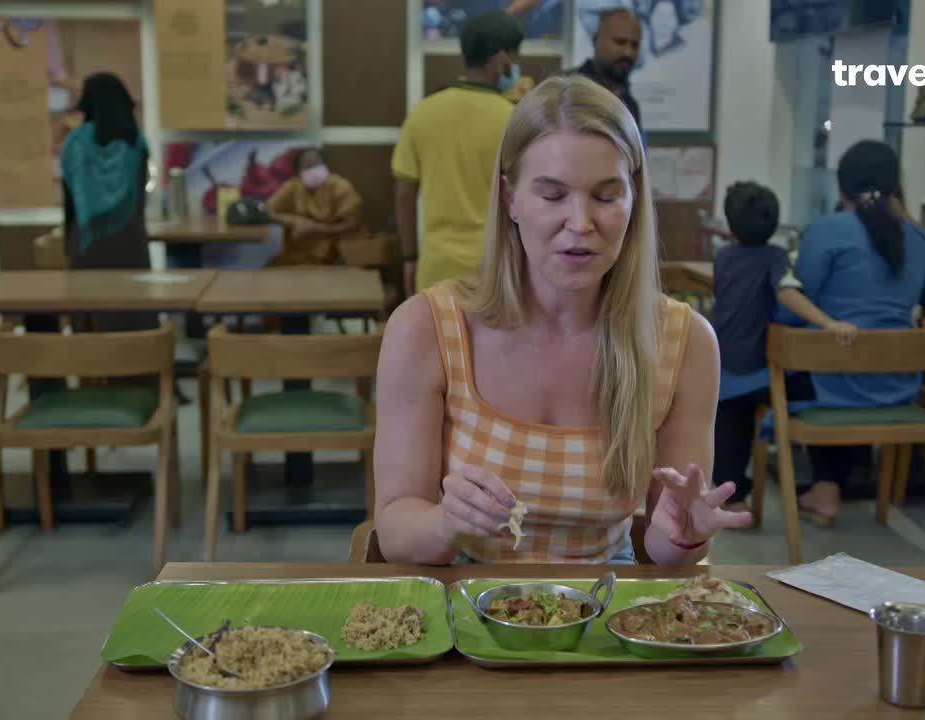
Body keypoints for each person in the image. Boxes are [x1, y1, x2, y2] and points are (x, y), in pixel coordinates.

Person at [374, 76, 751, 565]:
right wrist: (446, 521)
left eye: (605, 196)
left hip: (603, 618)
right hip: (466, 610)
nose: (580, 222)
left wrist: (685, 537)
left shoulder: (685, 342)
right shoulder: (426, 328)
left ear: (634, 200)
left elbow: (666, 553)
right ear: (510, 200)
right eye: (552, 196)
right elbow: (396, 531)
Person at [779, 140, 925, 524]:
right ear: (896, 187)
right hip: (898, 389)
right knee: (838, 363)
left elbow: (790, 305)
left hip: (829, 385)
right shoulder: (915, 236)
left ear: (842, 187)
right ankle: (840, 482)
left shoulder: (827, 229)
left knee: (803, 359)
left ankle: (826, 486)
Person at [709, 181, 854, 511]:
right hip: (760, 373)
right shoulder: (775, 257)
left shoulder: (723, 258)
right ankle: (825, 483)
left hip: (724, 373)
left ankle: (733, 497)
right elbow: (787, 293)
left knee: (730, 425)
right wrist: (828, 322)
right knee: (815, 392)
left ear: (730, 227)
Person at [393, 10, 523, 295]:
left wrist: (409, 258)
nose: (516, 67)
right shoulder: (514, 120)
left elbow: (404, 193)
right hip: (497, 267)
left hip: (436, 269)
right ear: (501, 59)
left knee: (438, 340)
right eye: (514, 58)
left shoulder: (423, 113)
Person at [59, 72, 155, 334]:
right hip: (130, 243)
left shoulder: (75, 143)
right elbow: (141, 197)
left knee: (91, 321)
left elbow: (70, 200)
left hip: (88, 241)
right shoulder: (136, 142)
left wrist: (69, 242)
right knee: (134, 317)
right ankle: (141, 372)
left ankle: (92, 371)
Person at [266, 147, 364, 266]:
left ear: (325, 165)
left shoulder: (341, 187)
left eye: (316, 164)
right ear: (298, 171)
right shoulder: (293, 186)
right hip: (294, 255)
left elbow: (352, 223)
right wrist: (296, 221)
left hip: (334, 256)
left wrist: (315, 227)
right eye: (307, 166)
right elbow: (269, 211)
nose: (313, 169)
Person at [573, 7, 643, 134]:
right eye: (620, 42)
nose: (628, 52)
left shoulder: (631, 105)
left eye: (635, 45)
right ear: (596, 40)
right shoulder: (567, 91)